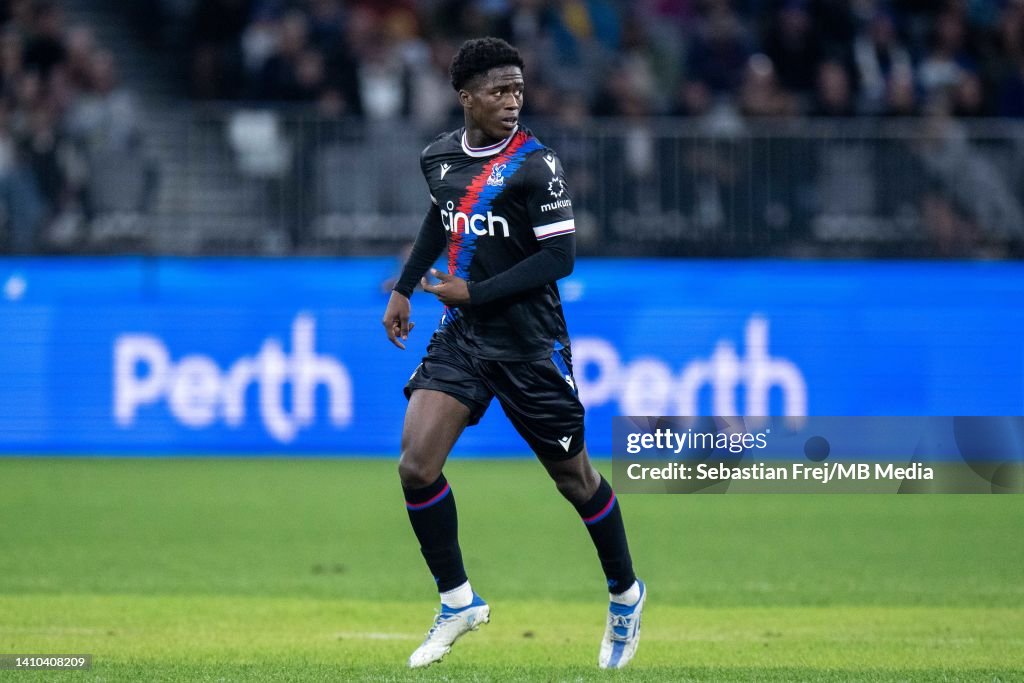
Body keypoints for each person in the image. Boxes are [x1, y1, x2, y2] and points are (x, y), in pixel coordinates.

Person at [381, 37, 645, 670]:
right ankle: (457, 600)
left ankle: (626, 595)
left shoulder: (536, 165)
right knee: (416, 465)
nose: (512, 101)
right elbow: (440, 219)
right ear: (465, 97)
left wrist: (475, 290)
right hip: (464, 339)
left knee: (575, 481)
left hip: (531, 345)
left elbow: (560, 258)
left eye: (519, 90)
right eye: (498, 91)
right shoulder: (438, 157)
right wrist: (404, 284)